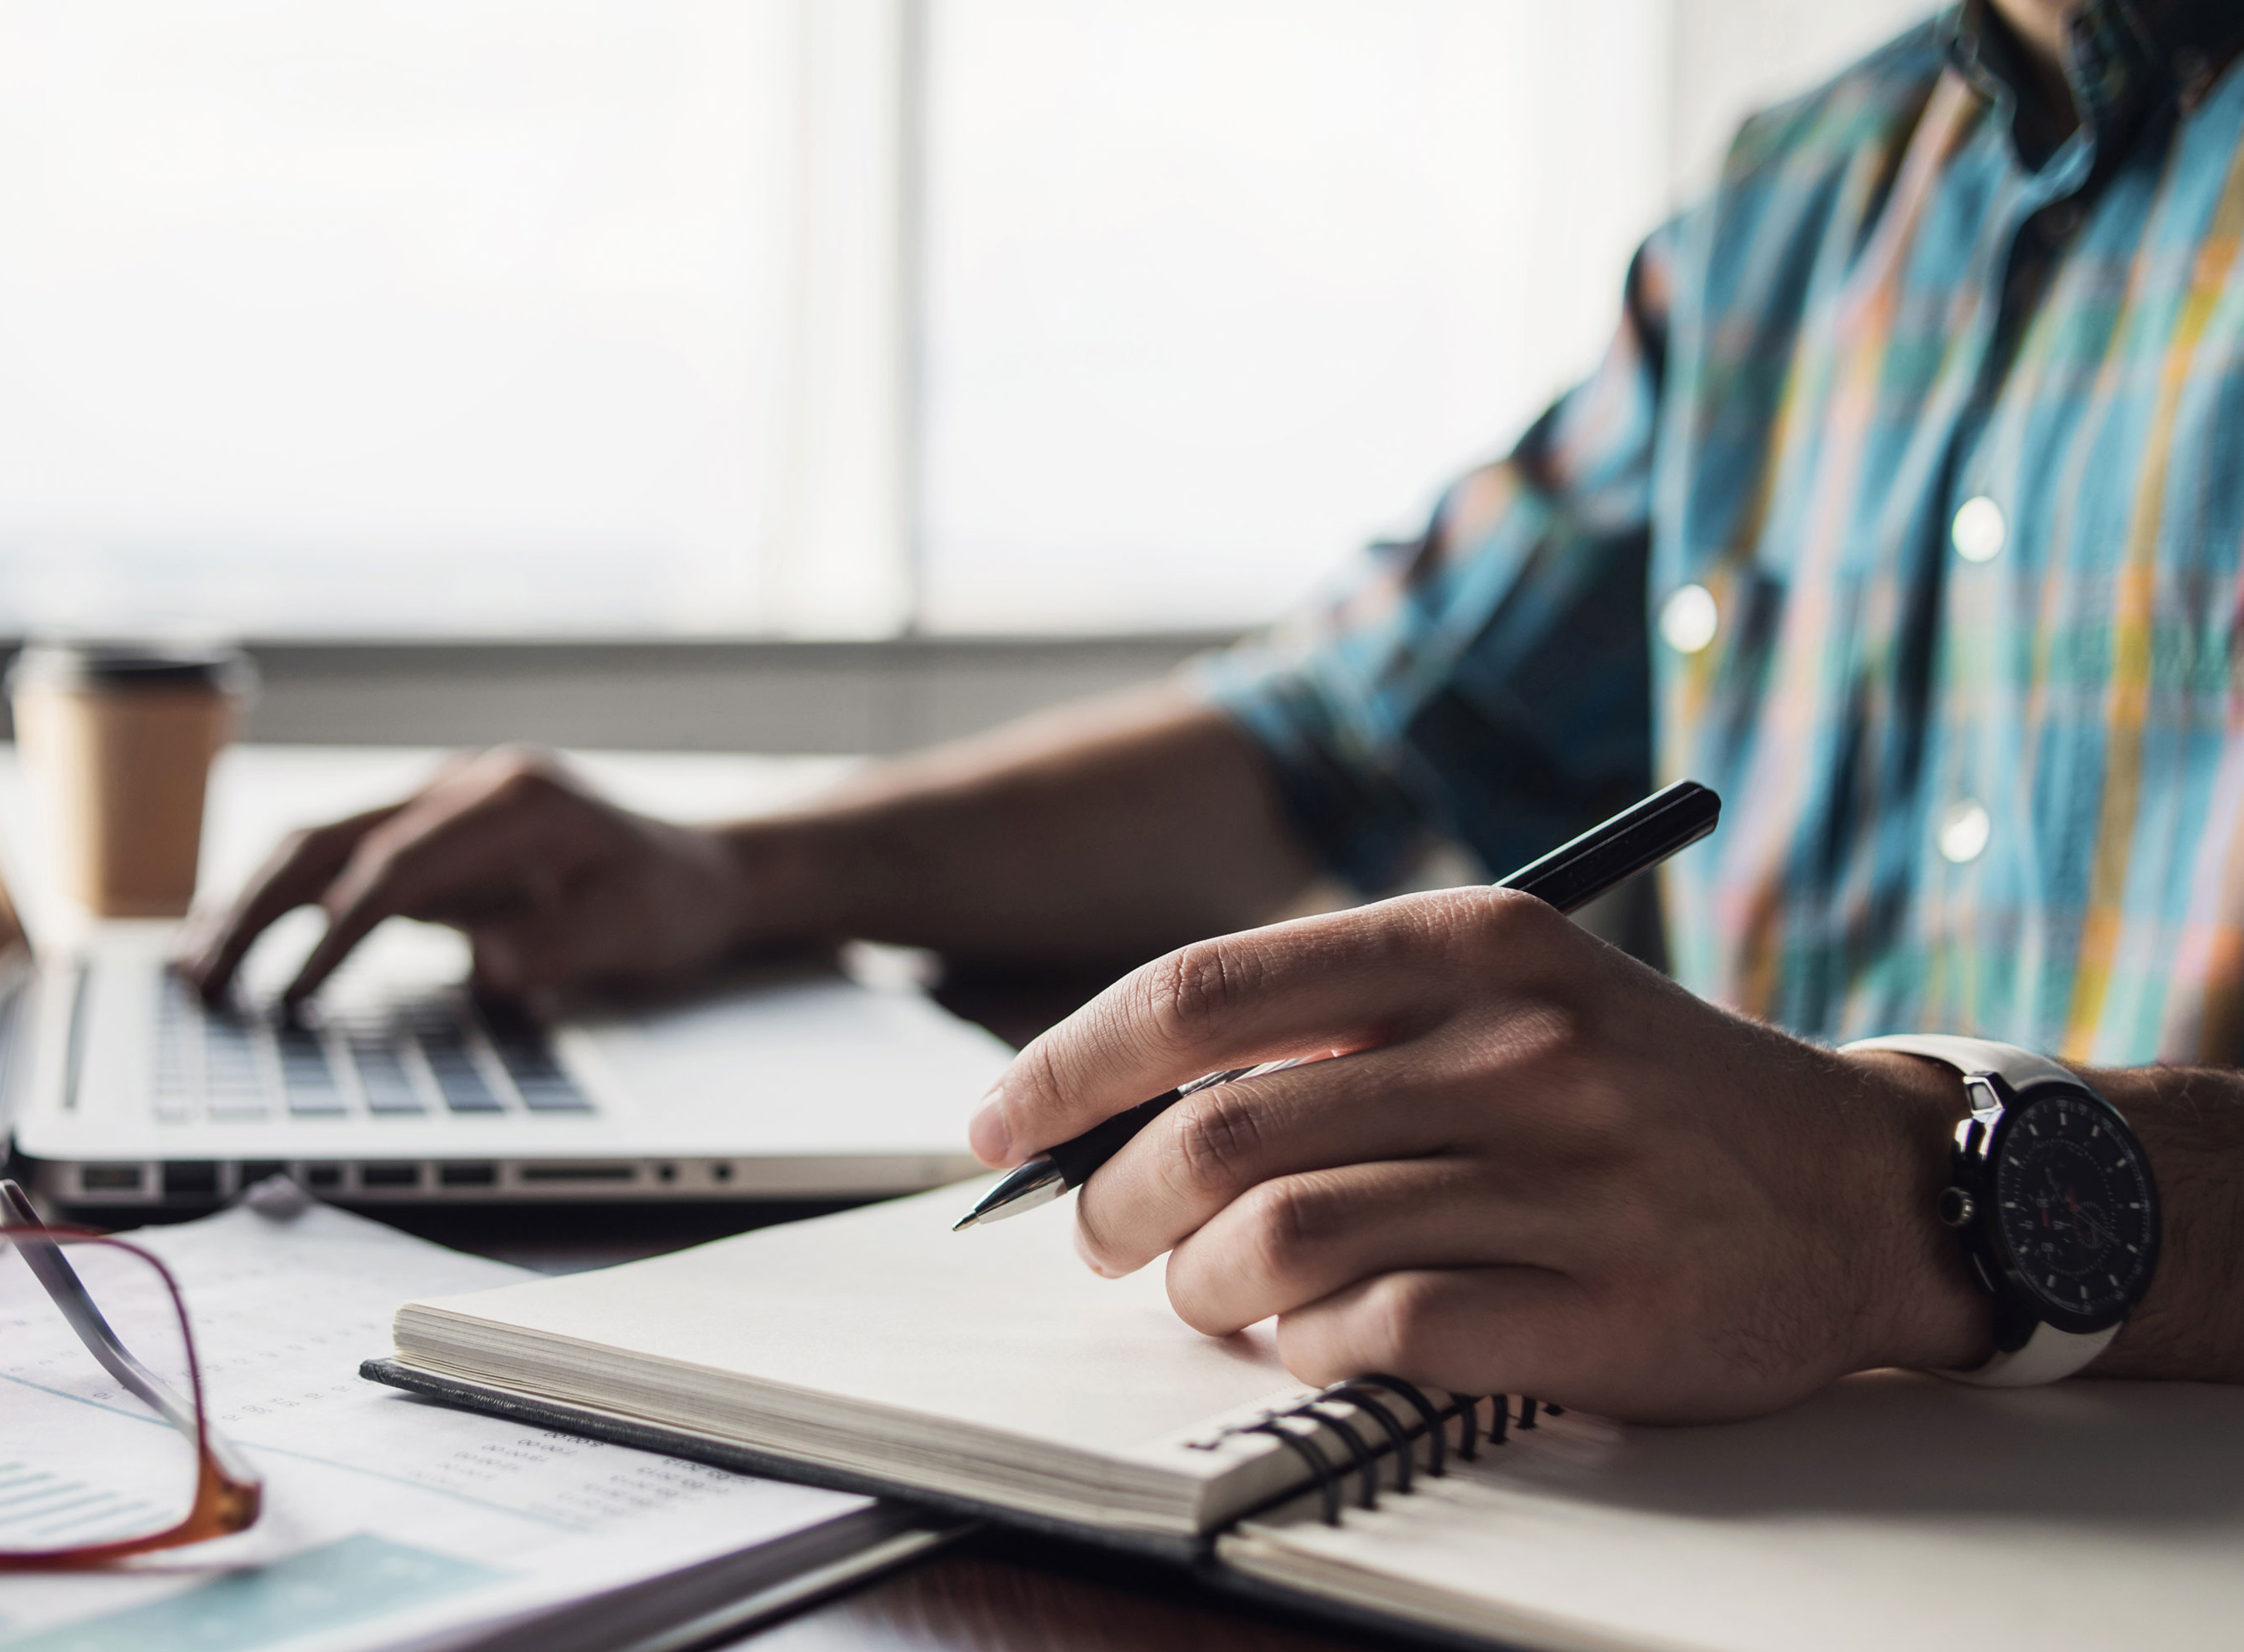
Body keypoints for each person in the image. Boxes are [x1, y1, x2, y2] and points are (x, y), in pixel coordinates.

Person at [177, 0, 2244, 1423]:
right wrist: (736, 868)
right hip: (1724, 1505)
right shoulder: (1806, 203)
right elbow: (1340, 735)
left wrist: (1890, 1195)